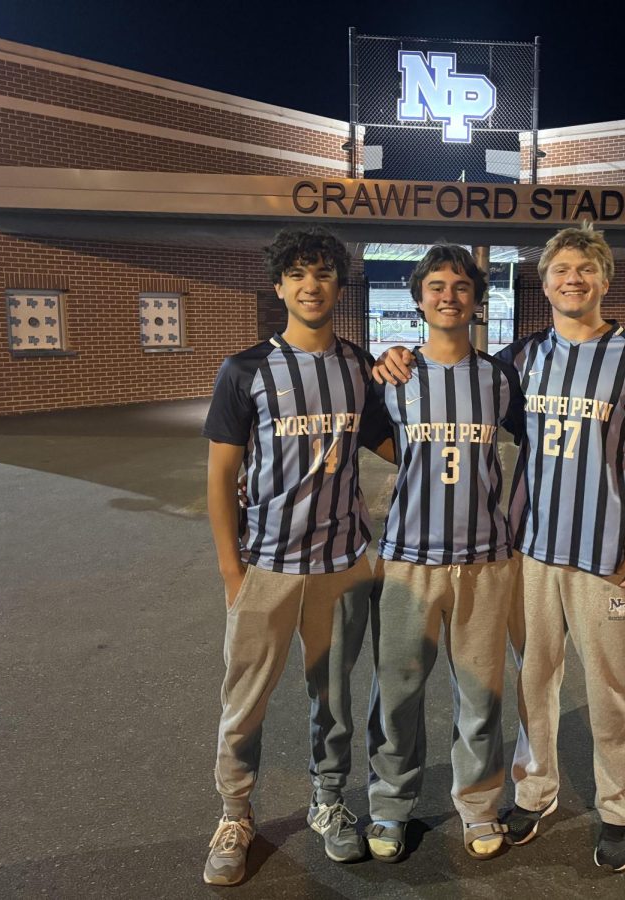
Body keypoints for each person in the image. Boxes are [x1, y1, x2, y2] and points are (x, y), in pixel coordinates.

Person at [374, 222, 625, 873]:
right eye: (561, 269)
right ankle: (536, 795)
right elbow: (457, 380)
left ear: (604, 278)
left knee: (611, 688)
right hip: (530, 554)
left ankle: (618, 809)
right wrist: (394, 356)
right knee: (533, 684)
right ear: (544, 284)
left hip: (607, 556)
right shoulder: (519, 361)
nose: (573, 279)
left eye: (585, 269)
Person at [201, 227, 391, 886]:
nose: (312, 285)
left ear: (340, 285)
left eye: (324, 274)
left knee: (333, 701)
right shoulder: (245, 370)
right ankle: (234, 812)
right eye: (299, 274)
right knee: (244, 700)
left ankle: (327, 801)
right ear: (280, 286)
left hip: (342, 566)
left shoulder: (358, 368)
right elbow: (221, 477)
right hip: (268, 566)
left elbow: (393, 446)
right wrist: (232, 571)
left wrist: (428, 392)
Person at [365, 244, 525, 863]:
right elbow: (363, 436)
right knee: (397, 693)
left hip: (484, 561)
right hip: (409, 559)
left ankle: (479, 807)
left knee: (480, 697)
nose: (449, 296)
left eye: (461, 286)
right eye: (436, 286)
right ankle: (388, 806)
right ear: (418, 297)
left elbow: (539, 446)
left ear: (477, 298)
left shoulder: (499, 378)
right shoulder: (395, 375)